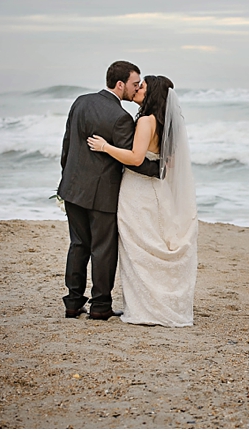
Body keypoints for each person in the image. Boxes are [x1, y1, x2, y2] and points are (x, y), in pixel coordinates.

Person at [87, 75, 198, 327]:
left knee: (137, 248)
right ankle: (159, 303)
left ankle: (146, 308)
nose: (137, 89)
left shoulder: (146, 121)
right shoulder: (164, 123)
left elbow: (136, 158)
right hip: (157, 191)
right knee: (150, 243)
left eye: (143, 87)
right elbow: (165, 163)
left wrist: (105, 147)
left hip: (137, 191)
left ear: (151, 94)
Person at [58, 61, 160, 321]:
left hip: (73, 188)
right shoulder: (120, 118)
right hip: (101, 194)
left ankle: (72, 303)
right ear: (120, 84)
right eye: (135, 84)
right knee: (103, 249)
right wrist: (160, 169)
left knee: (78, 245)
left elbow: (67, 145)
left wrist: (66, 180)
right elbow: (131, 159)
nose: (137, 88)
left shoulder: (80, 102)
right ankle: (100, 305)